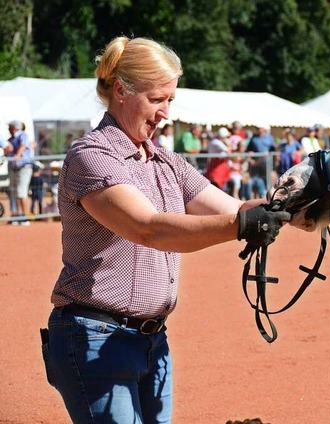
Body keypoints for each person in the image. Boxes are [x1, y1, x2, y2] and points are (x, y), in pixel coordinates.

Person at [40, 36, 290, 424]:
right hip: (92, 337)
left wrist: (292, 204)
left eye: (170, 100)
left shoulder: (166, 163)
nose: (165, 113)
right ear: (121, 91)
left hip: (152, 341)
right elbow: (148, 229)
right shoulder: (91, 156)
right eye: (158, 99)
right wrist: (242, 225)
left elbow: (233, 208)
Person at [7, 119, 33, 225]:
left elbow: (23, 145)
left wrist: (17, 155)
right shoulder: (10, 139)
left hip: (24, 168)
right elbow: (7, 150)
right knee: (15, 192)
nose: (8, 129)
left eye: (10, 127)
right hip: (13, 169)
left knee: (21, 192)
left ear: (14, 128)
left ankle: (25, 216)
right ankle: (18, 215)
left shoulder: (23, 135)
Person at [246, 124, 276, 198]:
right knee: (257, 181)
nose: (257, 129)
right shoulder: (254, 138)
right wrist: (250, 156)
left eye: (259, 128)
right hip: (257, 165)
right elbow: (248, 150)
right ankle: (258, 197)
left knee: (269, 181)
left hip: (268, 164)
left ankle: (270, 196)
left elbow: (274, 150)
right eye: (256, 128)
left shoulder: (269, 138)